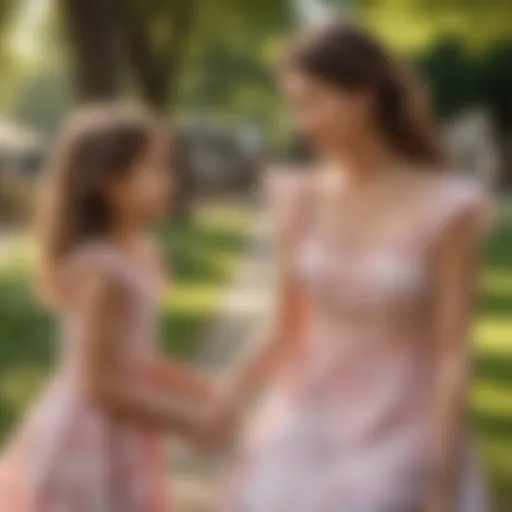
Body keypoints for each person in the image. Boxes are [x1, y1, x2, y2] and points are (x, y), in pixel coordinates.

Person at [216, 21, 493, 512]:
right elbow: (286, 328)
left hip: (403, 426)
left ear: (363, 97)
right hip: (308, 418)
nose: (302, 122)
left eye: (313, 101)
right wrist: (227, 397)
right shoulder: (299, 199)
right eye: (294, 104)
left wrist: (442, 481)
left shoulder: (447, 208)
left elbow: (453, 355)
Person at [0, 105, 220, 511]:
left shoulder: (142, 253)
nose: (169, 181)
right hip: (91, 435)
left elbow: (131, 359)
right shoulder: (102, 272)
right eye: (153, 169)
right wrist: (186, 421)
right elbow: (100, 385)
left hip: (123, 427)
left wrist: (196, 387)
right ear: (109, 183)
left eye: (168, 167)